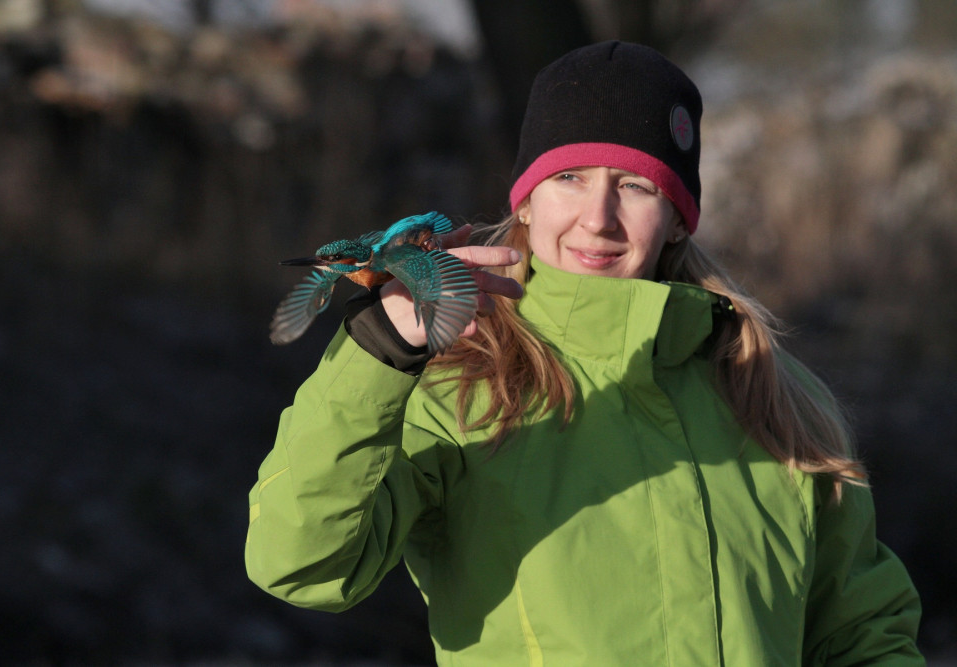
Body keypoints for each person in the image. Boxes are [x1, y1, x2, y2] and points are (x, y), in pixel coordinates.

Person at [245, 41, 924, 664]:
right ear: (529, 200)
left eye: (636, 185)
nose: (598, 218)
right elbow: (301, 561)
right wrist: (377, 355)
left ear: (678, 217)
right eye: (569, 176)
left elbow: (863, 635)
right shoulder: (457, 386)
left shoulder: (773, 397)